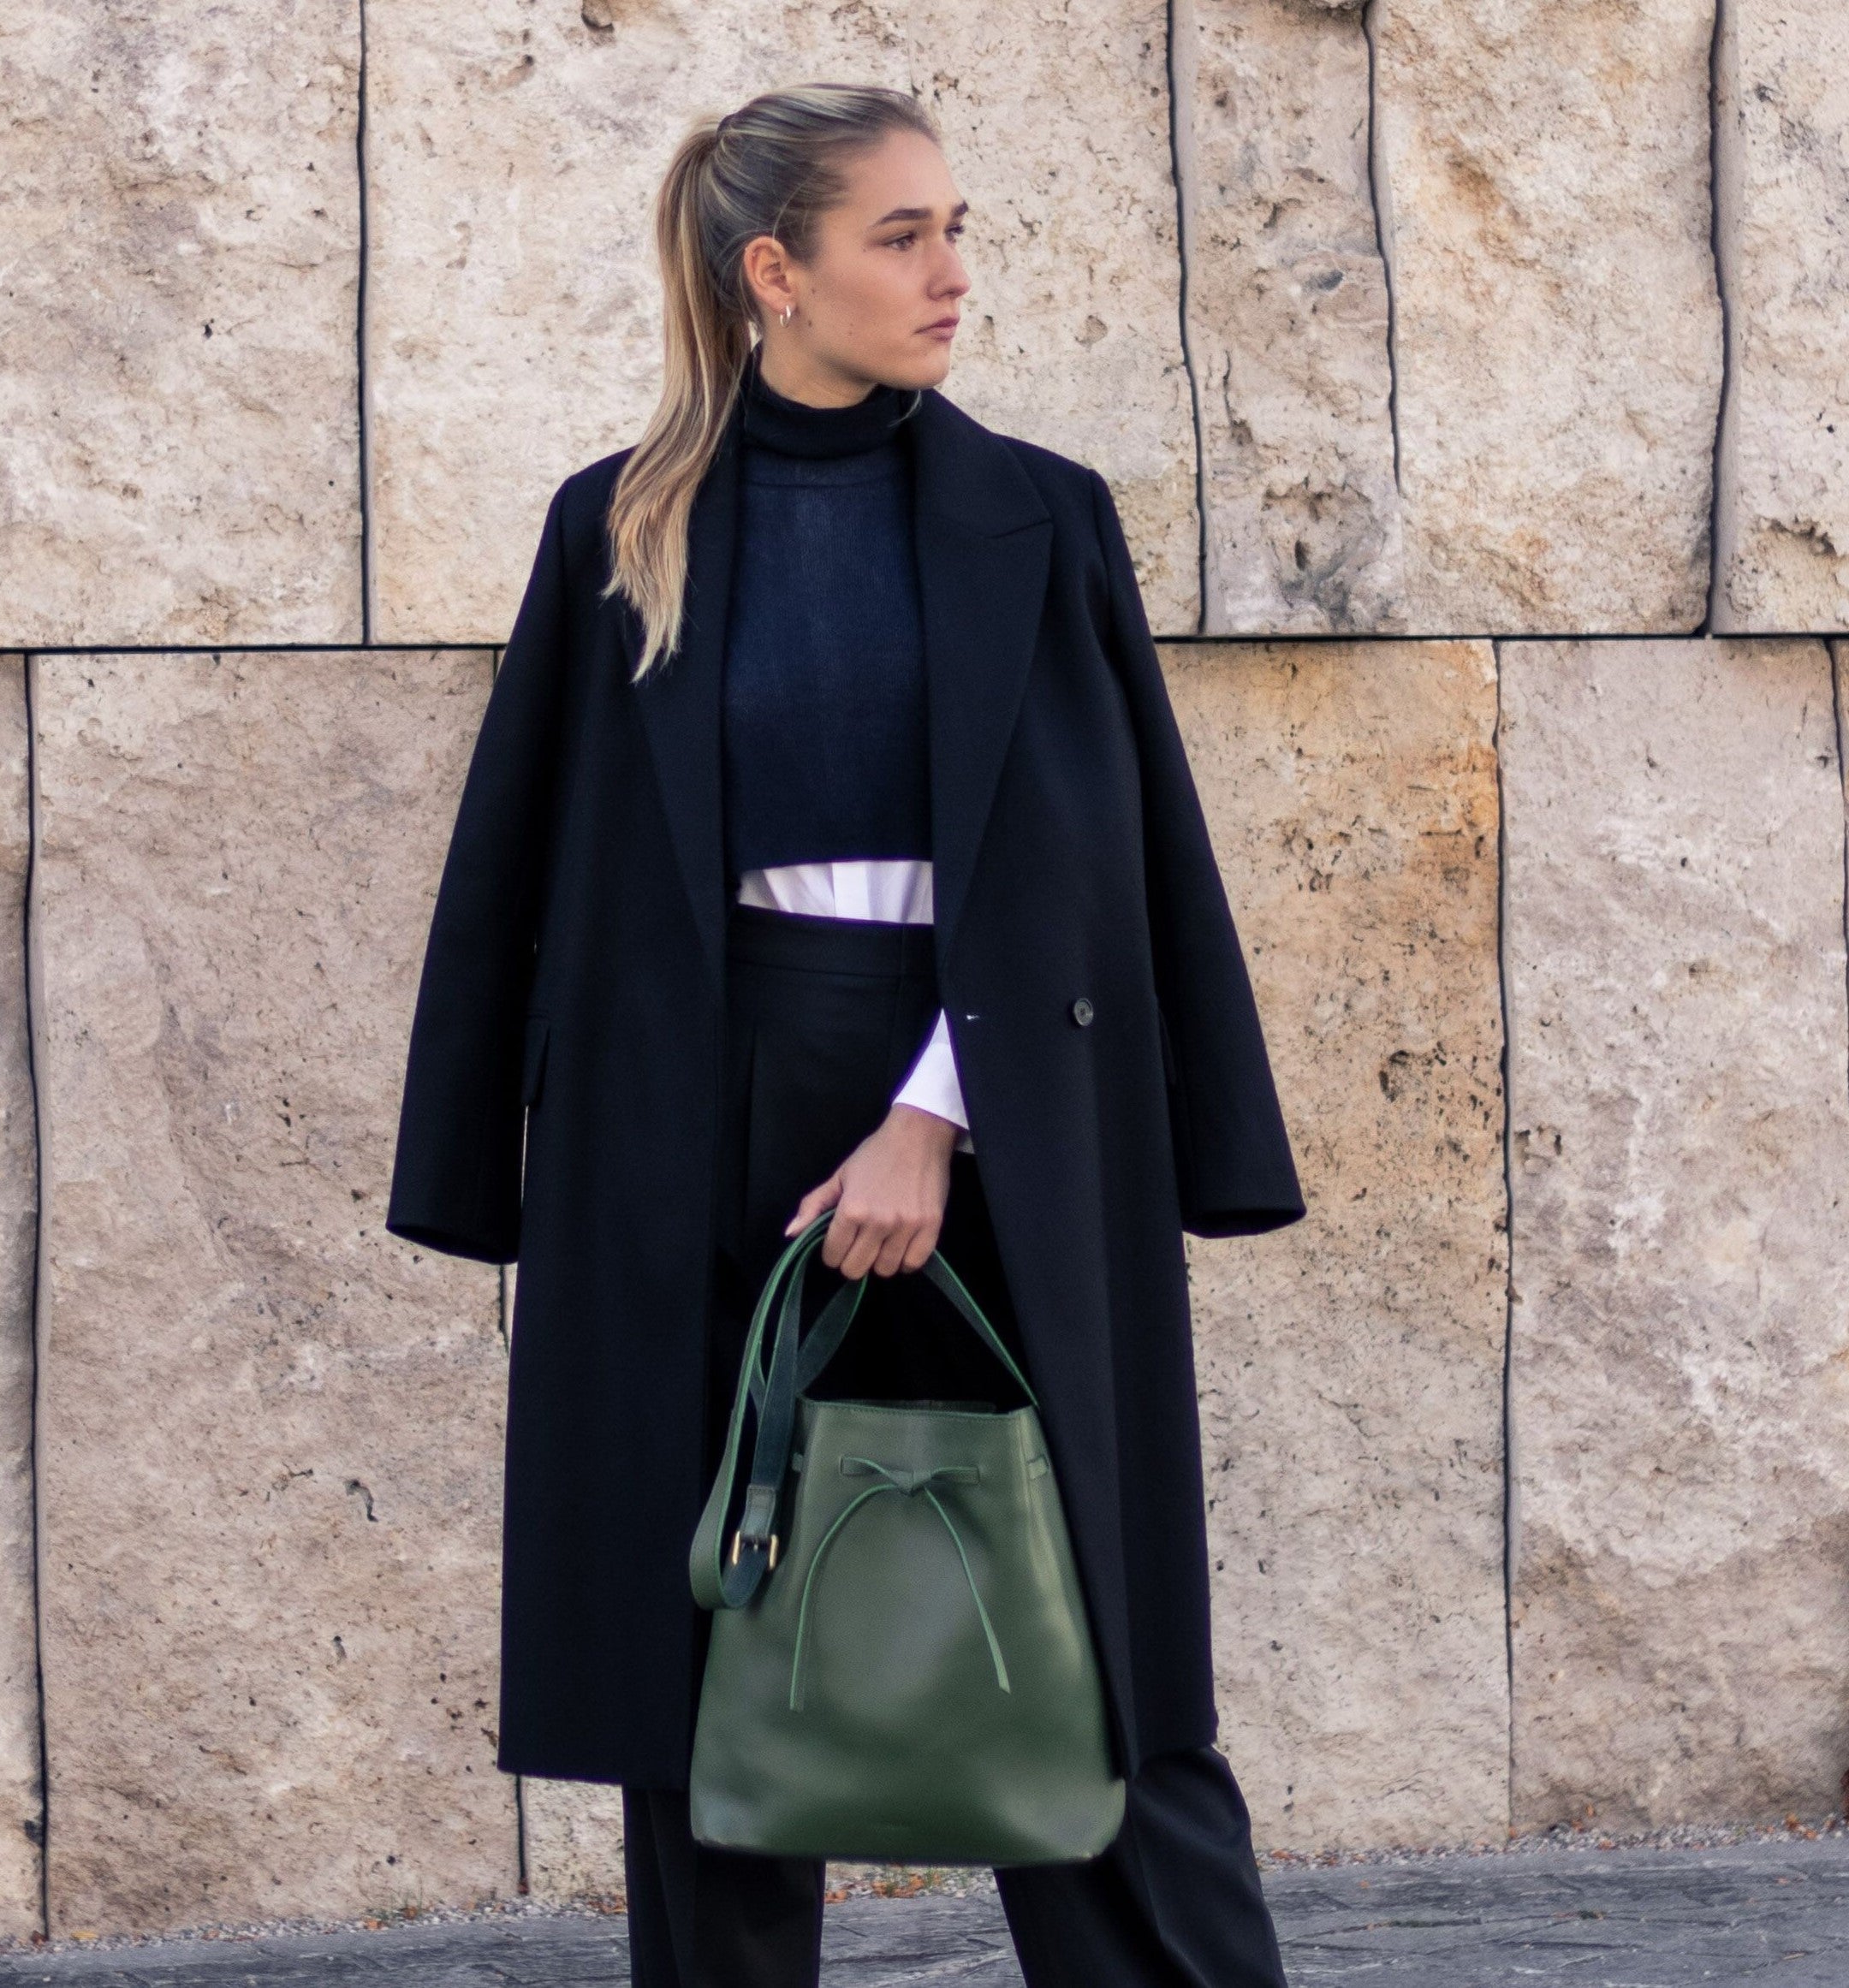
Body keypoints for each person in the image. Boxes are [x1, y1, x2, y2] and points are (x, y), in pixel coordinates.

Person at [388, 82, 1305, 1987]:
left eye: (958, 227)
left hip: (1000, 1106)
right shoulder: (619, 525)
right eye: (904, 236)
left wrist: (928, 1116)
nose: (952, 273)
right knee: (717, 1654)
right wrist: (494, 1159)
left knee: (1099, 1654)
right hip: (699, 1113)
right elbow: (525, 867)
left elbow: (1097, 870)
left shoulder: (1034, 518)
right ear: (772, 271)